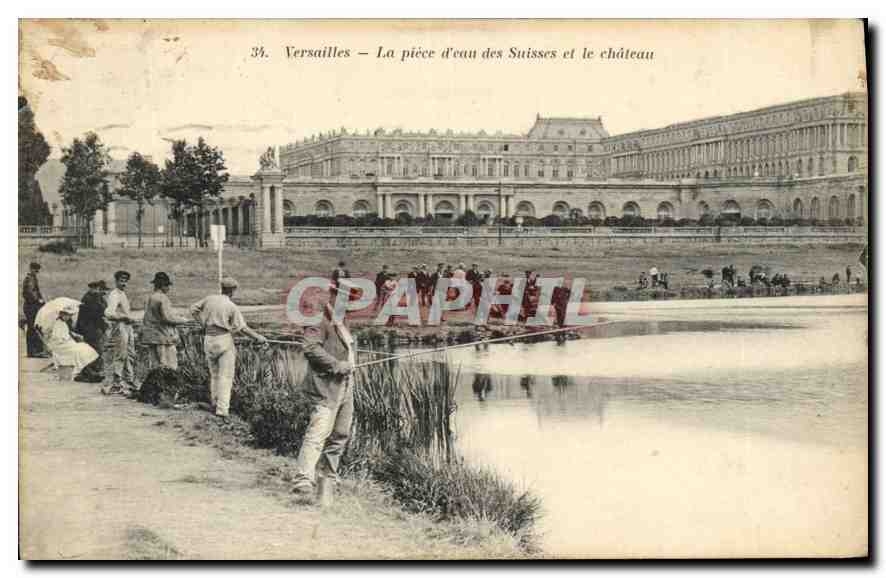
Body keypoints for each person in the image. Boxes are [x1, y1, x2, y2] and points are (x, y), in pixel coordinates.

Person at [291, 301, 355, 503]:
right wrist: (336, 364)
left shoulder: (342, 321)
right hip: (325, 387)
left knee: (341, 434)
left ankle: (328, 477)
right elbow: (310, 348)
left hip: (345, 386)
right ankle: (303, 480)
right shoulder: (317, 320)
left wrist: (347, 366)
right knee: (318, 433)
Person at [190, 277, 267, 418]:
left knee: (214, 374)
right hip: (223, 339)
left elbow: (193, 309)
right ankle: (222, 410)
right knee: (226, 376)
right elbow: (242, 328)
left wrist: (202, 323)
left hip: (208, 339)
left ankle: (214, 403)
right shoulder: (231, 306)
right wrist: (258, 337)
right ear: (232, 291)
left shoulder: (210, 299)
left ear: (222, 288)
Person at [141, 272, 189, 370]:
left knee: (155, 366)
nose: (168, 288)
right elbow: (168, 318)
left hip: (151, 337)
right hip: (163, 338)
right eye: (167, 285)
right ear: (162, 285)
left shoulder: (150, 297)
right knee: (169, 366)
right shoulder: (162, 298)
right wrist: (183, 320)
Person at [103, 270, 138, 396]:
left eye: (125, 281)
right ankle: (116, 383)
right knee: (121, 354)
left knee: (130, 353)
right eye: (121, 281)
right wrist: (123, 317)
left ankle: (128, 381)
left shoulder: (122, 294)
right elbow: (109, 312)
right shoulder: (114, 294)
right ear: (116, 281)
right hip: (120, 326)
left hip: (127, 326)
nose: (123, 283)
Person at [49, 303, 99, 380]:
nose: (69, 317)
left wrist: (73, 335)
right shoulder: (58, 323)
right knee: (80, 350)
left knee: (85, 347)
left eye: (70, 315)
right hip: (61, 347)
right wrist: (68, 339)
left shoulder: (63, 323)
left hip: (67, 343)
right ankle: (87, 373)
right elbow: (58, 338)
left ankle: (87, 371)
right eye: (67, 315)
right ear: (62, 314)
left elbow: (67, 332)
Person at [75, 280, 109, 382]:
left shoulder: (95, 298)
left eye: (97, 289)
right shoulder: (89, 298)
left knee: (96, 350)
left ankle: (91, 372)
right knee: (94, 350)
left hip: (93, 328)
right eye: (95, 288)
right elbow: (97, 313)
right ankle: (89, 373)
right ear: (91, 288)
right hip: (89, 329)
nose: (97, 290)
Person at [22, 262, 47, 358]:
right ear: (31, 269)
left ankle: (34, 351)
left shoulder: (32, 278)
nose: (36, 272)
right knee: (33, 328)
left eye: (37, 270)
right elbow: (30, 292)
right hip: (31, 306)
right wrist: (39, 300)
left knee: (33, 327)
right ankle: (34, 351)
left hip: (32, 306)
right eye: (35, 270)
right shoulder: (30, 279)